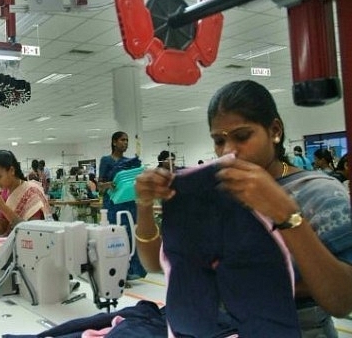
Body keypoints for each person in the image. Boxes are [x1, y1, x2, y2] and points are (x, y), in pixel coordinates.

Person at [135, 80, 352, 337]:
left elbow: (342, 302)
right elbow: (155, 264)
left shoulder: (320, 194)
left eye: (242, 136)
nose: (228, 150)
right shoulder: (214, 193)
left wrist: (286, 215)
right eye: (218, 140)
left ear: (274, 130)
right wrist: (145, 206)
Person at [98, 131, 147, 280]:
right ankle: (118, 273)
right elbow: (100, 186)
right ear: (114, 142)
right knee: (116, 239)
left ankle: (130, 270)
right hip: (113, 205)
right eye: (122, 140)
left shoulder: (129, 163)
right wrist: (108, 184)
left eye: (127, 140)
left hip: (129, 204)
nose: (125, 143)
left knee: (131, 237)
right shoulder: (106, 161)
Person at [0, 150, 50, 236]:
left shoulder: (32, 193)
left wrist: (2, 207)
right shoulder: (6, 192)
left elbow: (32, 231)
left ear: (11, 170)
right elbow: (3, 227)